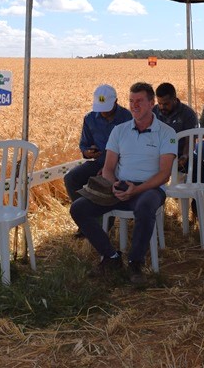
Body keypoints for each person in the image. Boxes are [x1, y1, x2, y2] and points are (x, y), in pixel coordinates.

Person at [70, 82, 177, 285]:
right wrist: (113, 186)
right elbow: (108, 168)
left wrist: (137, 189)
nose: (134, 106)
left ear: (152, 103)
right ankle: (111, 257)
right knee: (79, 208)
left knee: (145, 206)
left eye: (139, 101)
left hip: (150, 188)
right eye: (131, 101)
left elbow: (164, 174)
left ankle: (135, 262)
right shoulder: (119, 131)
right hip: (120, 185)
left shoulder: (166, 132)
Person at [64, 84, 132, 208]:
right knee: (70, 178)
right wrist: (87, 152)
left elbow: (131, 149)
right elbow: (84, 144)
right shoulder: (90, 118)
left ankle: (106, 220)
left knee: (107, 183)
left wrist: (109, 168)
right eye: (100, 108)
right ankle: (85, 214)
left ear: (116, 101)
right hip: (98, 163)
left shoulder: (127, 117)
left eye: (106, 108)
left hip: (122, 165)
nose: (103, 112)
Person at [153, 82, 199, 171]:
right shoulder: (153, 112)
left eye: (166, 104)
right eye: (159, 103)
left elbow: (190, 140)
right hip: (158, 155)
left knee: (197, 164)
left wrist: (185, 156)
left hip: (180, 154)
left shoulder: (188, 114)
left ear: (174, 99)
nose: (162, 107)